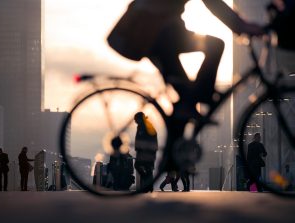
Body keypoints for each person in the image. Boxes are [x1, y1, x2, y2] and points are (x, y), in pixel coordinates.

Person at [108, 0, 264, 175]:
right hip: (157, 34)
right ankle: (203, 97)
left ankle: (172, 162)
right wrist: (241, 26)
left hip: (155, 35)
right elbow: (213, 3)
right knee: (215, 45)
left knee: (185, 99)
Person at [134, 112, 158, 192]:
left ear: (139, 119)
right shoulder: (146, 125)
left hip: (145, 151)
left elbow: (142, 138)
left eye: (136, 119)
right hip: (149, 150)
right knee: (148, 168)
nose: (135, 121)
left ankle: (148, 184)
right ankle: (149, 186)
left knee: (138, 165)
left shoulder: (143, 126)